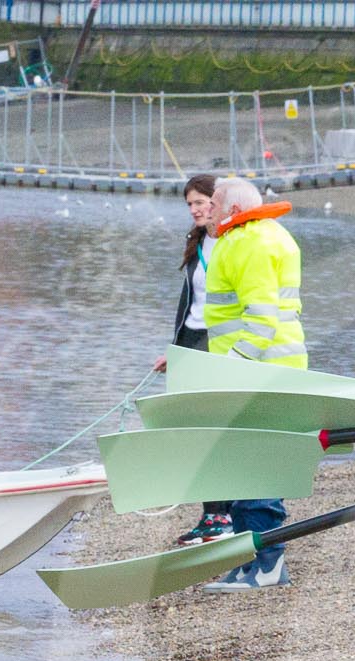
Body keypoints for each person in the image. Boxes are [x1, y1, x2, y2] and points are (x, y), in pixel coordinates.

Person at [200, 176, 305, 592]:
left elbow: (260, 319)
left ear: (235, 210)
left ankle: (266, 563)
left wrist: (232, 367)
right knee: (253, 461)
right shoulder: (270, 235)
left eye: (216, 204)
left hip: (256, 371)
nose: (208, 211)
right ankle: (253, 560)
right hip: (277, 368)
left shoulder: (247, 241)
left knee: (252, 465)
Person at [157, 174, 235, 548]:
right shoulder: (198, 242)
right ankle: (211, 514)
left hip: (217, 344)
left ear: (217, 201)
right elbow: (187, 303)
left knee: (214, 431)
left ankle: (223, 515)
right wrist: (173, 350)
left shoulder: (235, 241)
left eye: (201, 202)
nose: (195, 210)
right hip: (191, 341)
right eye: (189, 204)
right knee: (193, 431)